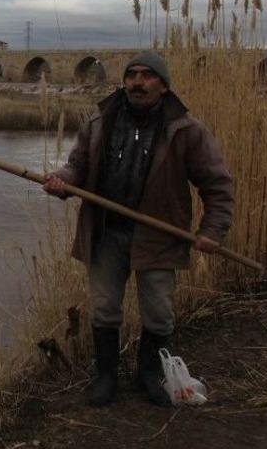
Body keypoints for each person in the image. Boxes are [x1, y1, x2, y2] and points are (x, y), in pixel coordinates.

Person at [43, 51, 233, 407]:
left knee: (159, 311)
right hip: (106, 232)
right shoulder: (101, 121)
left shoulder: (186, 130)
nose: (138, 82)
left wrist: (213, 230)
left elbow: (217, 186)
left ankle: (149, 375)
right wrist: (62, 181)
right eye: (132, 75)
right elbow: (77, 166)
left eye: (147, 76)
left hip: (159, 236)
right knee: (104, 309)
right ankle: (106, 377)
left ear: (163, 85)